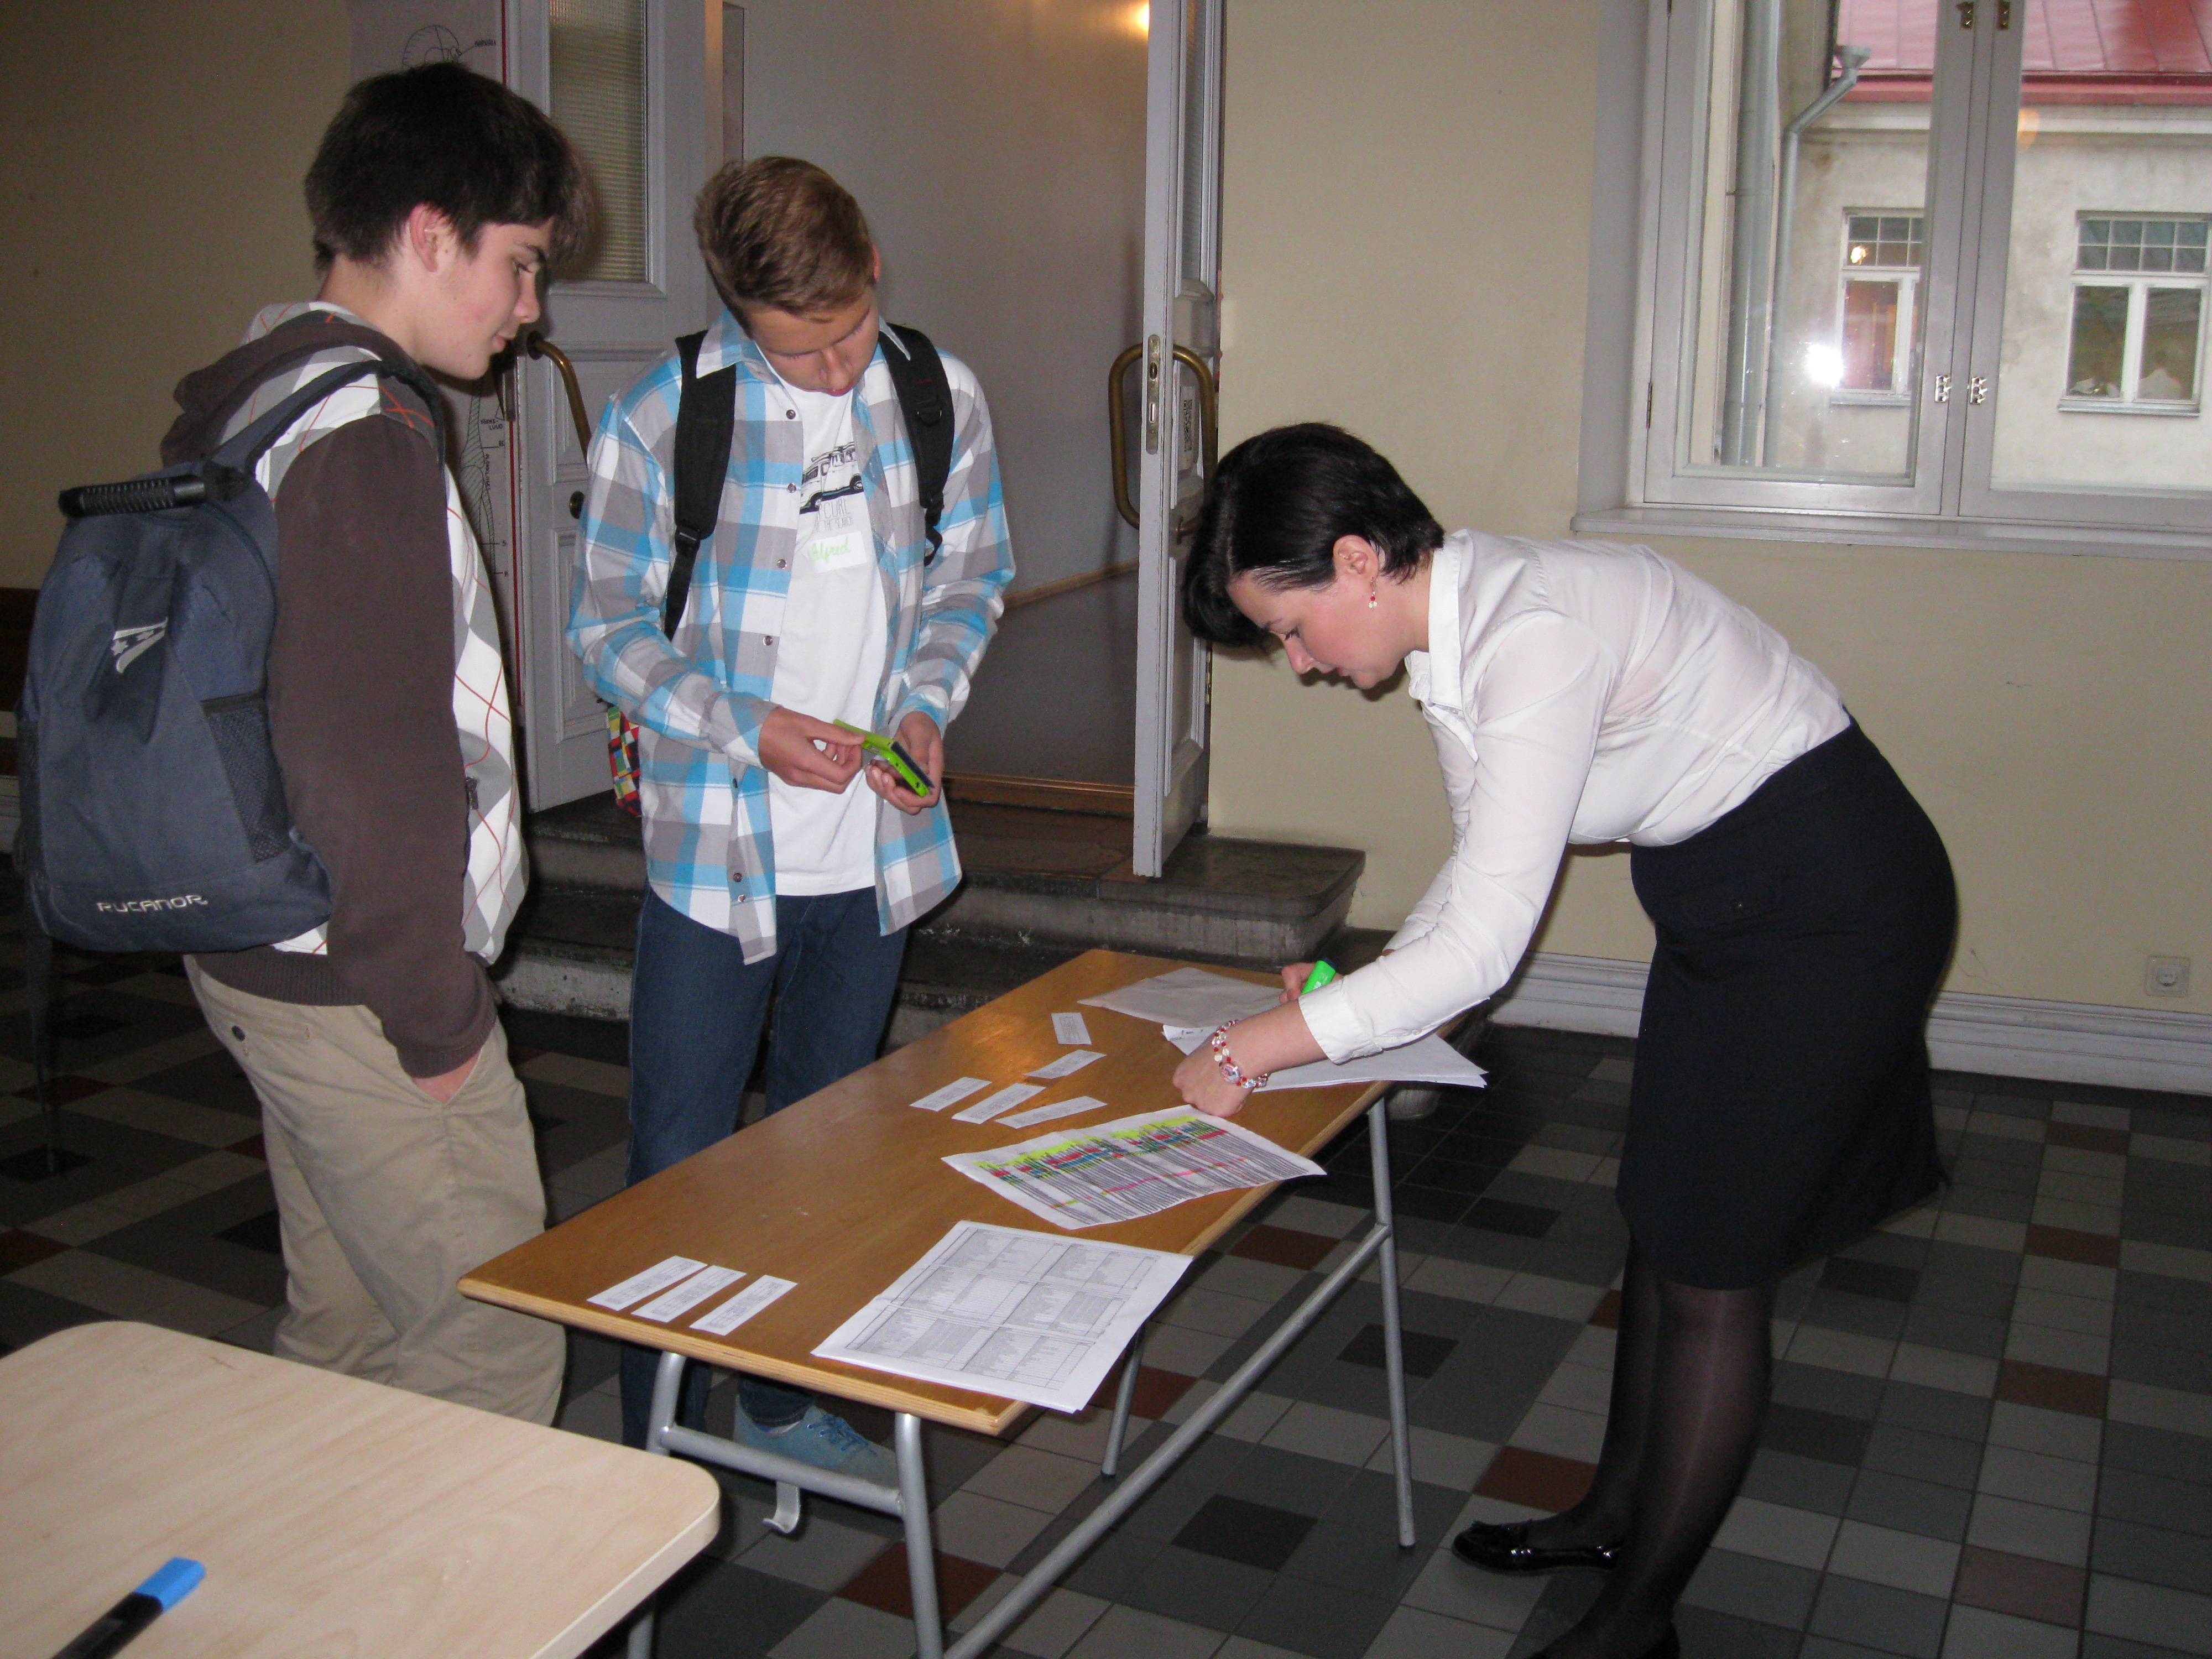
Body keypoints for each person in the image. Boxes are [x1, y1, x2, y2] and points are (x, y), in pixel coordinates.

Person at [1174, 425, 1954, 1659]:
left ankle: (1635, 1625)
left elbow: (1483, 951)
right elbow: (1480, 874)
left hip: (1827, 909)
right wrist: (1351, 996)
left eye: (1292, 628)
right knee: (1665, 1217)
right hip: (1732, 906)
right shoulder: (1460, 634)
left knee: (1714, 1269)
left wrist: (1258, 1045)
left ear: (1358, 559)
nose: (1303, 663)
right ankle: (1612, 1518)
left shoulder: (1530, 635)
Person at [569, 156, 1014, 1474]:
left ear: (872, 268)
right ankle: (645, 1457)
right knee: (677, 1158)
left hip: (874, 852)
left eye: (846, 337)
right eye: (794, 351)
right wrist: (739, 723)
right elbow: (604, 628)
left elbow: (971, 576)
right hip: (717, 855)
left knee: (827, 1148)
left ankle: (779, 1403)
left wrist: (926, 703)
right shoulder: (663, 417)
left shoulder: (936, 394)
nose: (829, 373)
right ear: (732, 310)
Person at [173, 63, 592, 1422]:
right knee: (488, 1349)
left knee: (348, 1332)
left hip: (266, 952)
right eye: (519, 264)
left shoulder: (257, 396)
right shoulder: (361, 433)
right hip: (363, 985)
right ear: (428, 233)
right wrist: (439, 1018)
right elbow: (365, 764)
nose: (530, 310)